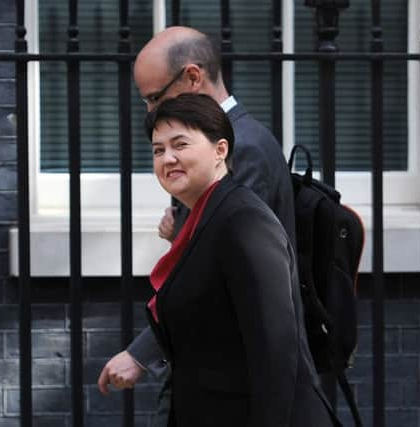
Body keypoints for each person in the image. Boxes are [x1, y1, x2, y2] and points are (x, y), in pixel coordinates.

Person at [98, 26, 297, 423]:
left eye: (156, 97)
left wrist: (141, 354)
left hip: (232, 384)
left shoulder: (245, 149)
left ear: (192, 77)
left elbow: (225, 278)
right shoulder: (215, 143)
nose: (152, 112)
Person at [141, 93, 337, 426]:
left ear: (220, 150)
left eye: (180, 144)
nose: (168, 158)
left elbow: (276, 348)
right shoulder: (206, 219)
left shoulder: (244, 219)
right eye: (159, 150)